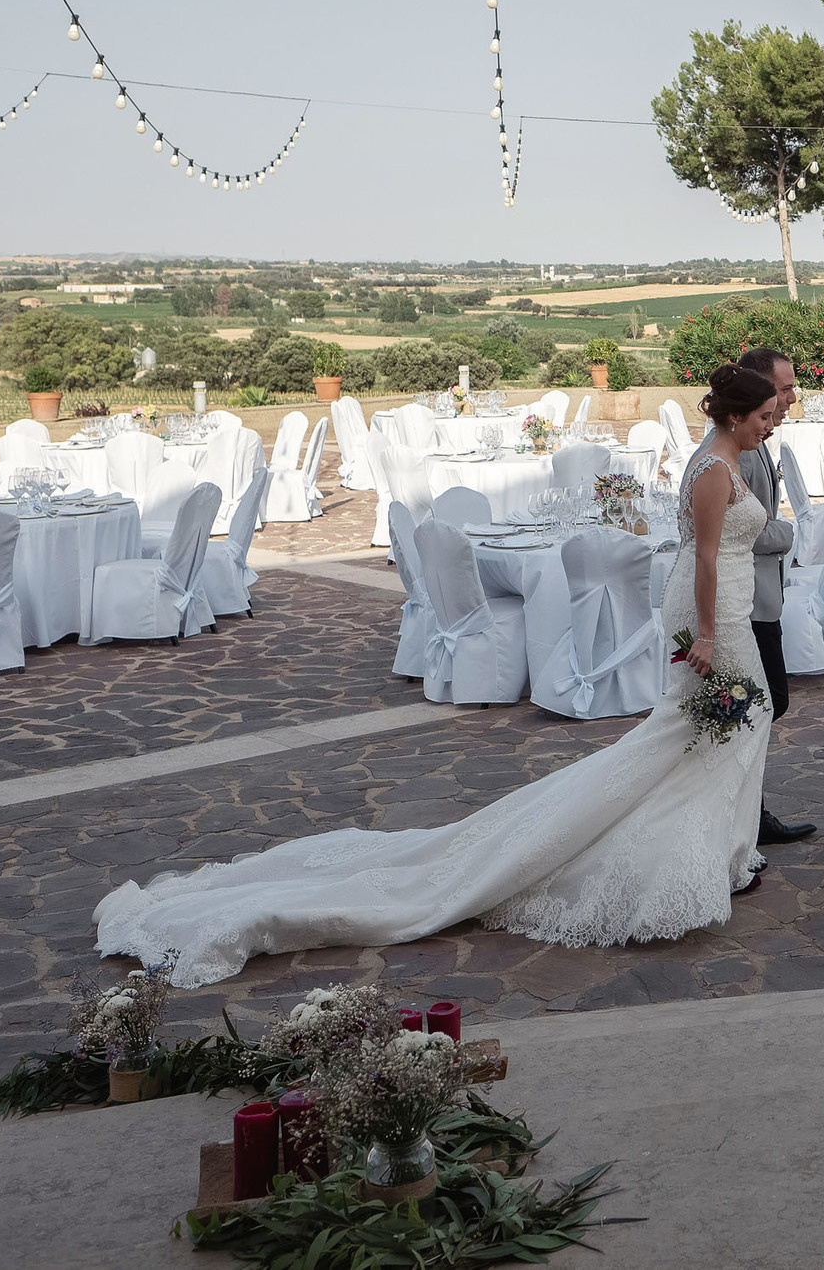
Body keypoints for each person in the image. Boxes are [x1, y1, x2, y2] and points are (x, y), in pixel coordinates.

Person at [90, 364, 787, 988]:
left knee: (721, 731)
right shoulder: (715, 471)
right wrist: (703, 634)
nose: (770, 424)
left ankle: (717, 856)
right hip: (709, 614)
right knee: (706, 730)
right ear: (732, 415)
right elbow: (699, 557)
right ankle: (667, 862)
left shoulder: (726, 458)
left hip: (721, 605)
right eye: (762, 416)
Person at [733, 346, 816, 845]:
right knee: (763, 703)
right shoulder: (738, 449)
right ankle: (745, 811)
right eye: (784, 389)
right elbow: (742, 531)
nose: (791, 397)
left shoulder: (760, 440)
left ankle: (748, 808)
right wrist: (788, 536)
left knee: (762, 704)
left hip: (763, 595)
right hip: (745, 599)